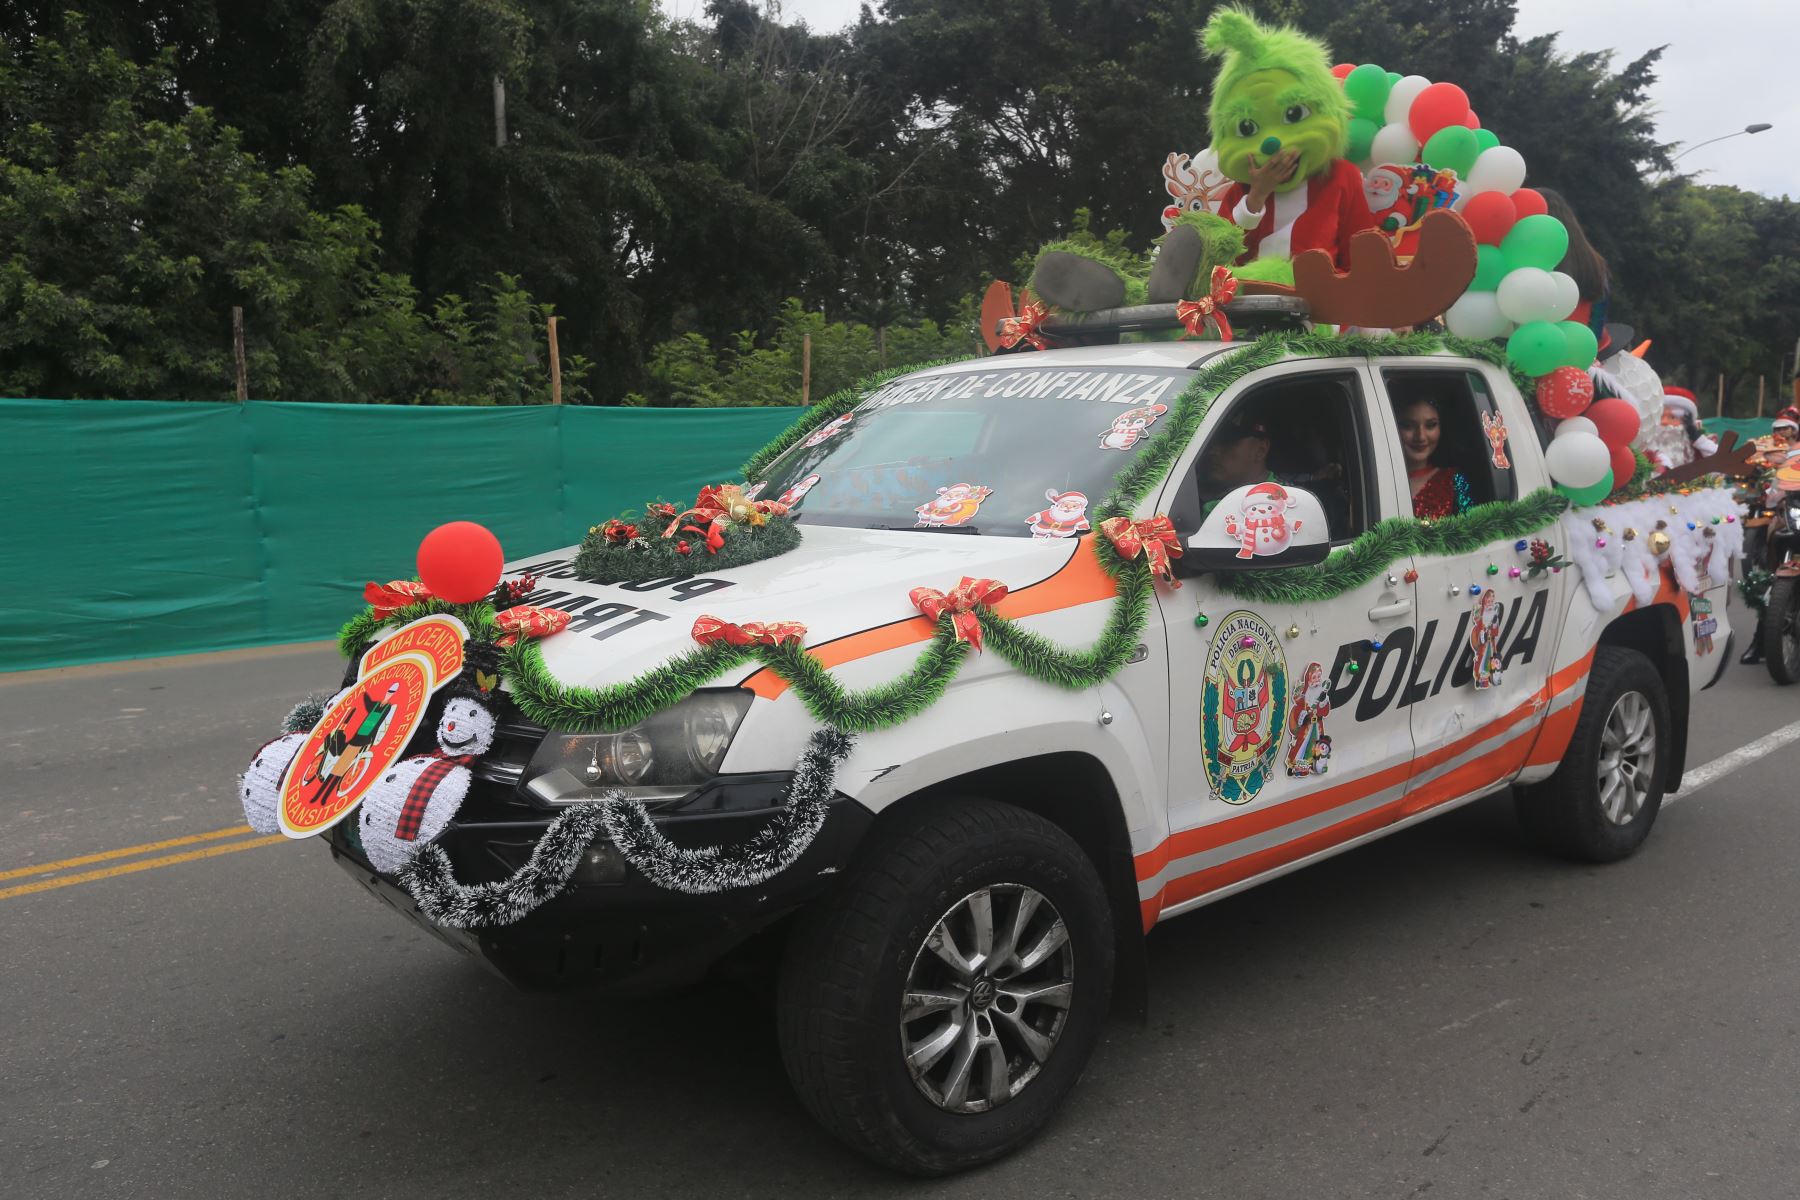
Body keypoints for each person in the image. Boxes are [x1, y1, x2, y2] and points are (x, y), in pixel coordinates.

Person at [1539, 188, 1609, 346]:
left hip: (1535, 350)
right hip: (1580, 354)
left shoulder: (1531, 262)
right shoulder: (1596, 263)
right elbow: (1597, 326)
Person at [1395, 396, 1472, 519]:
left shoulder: (1454, 481)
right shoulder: (1371, 480)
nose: (1420, 436)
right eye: (1408, 426)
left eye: (1431, 425)